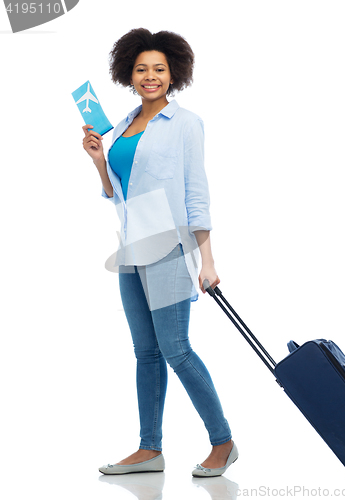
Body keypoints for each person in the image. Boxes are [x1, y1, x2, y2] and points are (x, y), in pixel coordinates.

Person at [81, 28, 238, 477]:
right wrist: (97, 160)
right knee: (145, 353)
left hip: (170, 245)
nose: (150, 76)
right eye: (141, 69)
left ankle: (222, 441)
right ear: (129, 74)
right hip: (131, 246)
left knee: (176, 349)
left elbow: (196, 194)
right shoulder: (123, 126)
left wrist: (207, 261)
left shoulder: (186, 123)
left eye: (159, 70)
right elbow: (119, 194)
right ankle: (150, 449)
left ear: (174, 75)